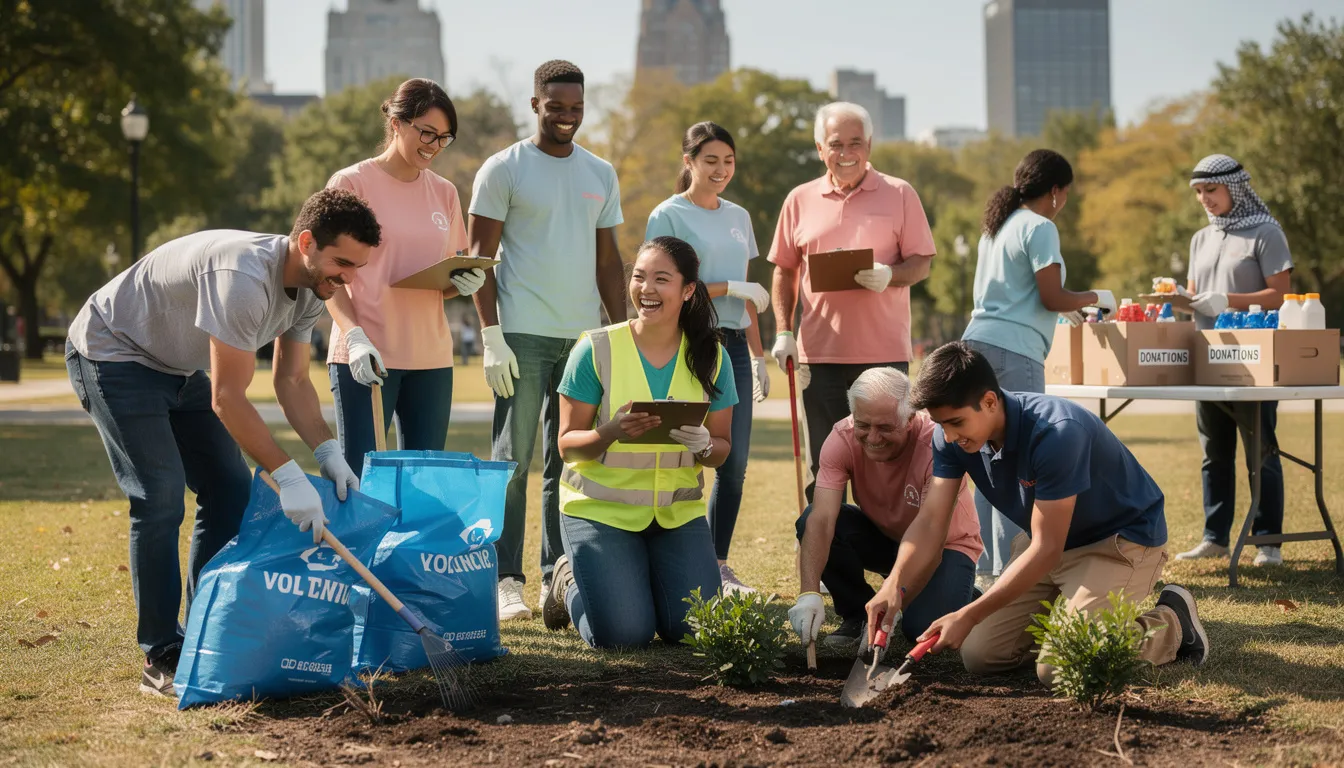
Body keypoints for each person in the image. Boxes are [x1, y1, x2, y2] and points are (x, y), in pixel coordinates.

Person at [64, 189, 382, 696]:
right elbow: (228, 398)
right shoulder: (244, 280)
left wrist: (327, 453)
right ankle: (161, 651)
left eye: (357, 268)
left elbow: (293, 382)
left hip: (176, 364)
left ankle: (204, 628)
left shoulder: (310, 287)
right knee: (161, 496)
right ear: (306, 242)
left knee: (230, 487)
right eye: (342, 263)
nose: (347, 278)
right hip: (114, 351)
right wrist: (288, 475)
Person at [867, 342, 1208, 686]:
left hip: (1119, 543)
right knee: (980, 655)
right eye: (941, 424)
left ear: (989, 401)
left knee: (1063, 667)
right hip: (1046, 542)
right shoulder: (950, 438)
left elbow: (1048, 549)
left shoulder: (1056, 432)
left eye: (956, 422)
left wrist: (968, 614)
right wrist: (894, 586)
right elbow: (929, 522)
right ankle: (1070, 630)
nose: (949, 436)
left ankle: (1173, 623)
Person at [468, 60, 626, 622]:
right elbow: (479, 261)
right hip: (522, 334)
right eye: (556, 106)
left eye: (576, 108)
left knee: (571, 460)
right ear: (535, 104)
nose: (567, 117)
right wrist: (491, 336)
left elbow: (610, 262)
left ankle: (558, 575)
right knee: (512, 462)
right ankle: (505, 578)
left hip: (583, 340)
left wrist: (621, 334)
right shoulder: (503, 168)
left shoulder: (600, 173)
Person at [543, 236, 737, 648]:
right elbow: (566, 445)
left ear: (687, 291)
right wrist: (608, 432)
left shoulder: (713, 357)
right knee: (624, 635)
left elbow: (721, 449)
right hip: (600, 512)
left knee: (695, 631)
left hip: (676, 515)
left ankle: (634, 580)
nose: (645, 289)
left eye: (661, 279)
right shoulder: (594, 349)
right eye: (638, 277)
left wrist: (703, 444)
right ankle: (567, 583)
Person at [960, 149, 1116, 590]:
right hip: (1016, 351)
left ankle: (987, 566)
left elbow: (1025, 294)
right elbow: (1051, 295)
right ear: (1055, 191)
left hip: (977, 343)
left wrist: (1063, 310)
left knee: (986, 461)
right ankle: (1015, 571)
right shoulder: (1041, 225)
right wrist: (1094, 297)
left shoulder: (998, 226)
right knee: (1019, 464)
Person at [768, 101, 936, 499]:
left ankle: (890, 558)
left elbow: (922, 264)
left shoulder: (900, 193)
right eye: (836, 144)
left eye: (855, 143)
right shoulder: (798, 199)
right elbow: (785, 270)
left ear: (870, 144)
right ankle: (827, 556)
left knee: (886, 466)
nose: (846, 153)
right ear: (819, 148)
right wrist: (782, 331)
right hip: (818, 356)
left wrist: (890, 275)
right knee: (823, 466)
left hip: (883, 355)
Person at [325, 79, 485, 471]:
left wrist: (462, 283)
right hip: (367, 354)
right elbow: (325, 276)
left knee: (423, 480)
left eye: (443, 138)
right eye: (426, 132)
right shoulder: (350, 184)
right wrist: (355, 337)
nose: (433, 145)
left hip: (430, 357)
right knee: (364, 479)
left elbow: (438, 283)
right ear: (396, 123)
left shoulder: (445, 193)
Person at [645, 121, 770, 595]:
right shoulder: (667, 215)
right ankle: (664, 559)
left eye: (728, 161)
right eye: (710, 160)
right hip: (687, 340)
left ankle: (718, 564)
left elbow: (749, 295)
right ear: (689, 162)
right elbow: (658, 284)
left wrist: (758, 355)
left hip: (734, 344)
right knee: (678, 454)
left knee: (731, 463)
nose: (721, 170)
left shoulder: (739, 216)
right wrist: (726, 288)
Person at [788, 367, 983, 652]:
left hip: (944, 546)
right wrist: (808, 593)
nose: (873, 437)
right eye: (863, 425)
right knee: (809, 520)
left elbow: (930, 534)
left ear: (911, 418)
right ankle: (857, 614)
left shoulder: (937, 445)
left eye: (885, 427)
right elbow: (822, 519)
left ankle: (967, 595)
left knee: (919, 627)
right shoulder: (841, 437)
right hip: (887, 537)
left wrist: (897, 602)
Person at [1176, 154, 1293, 567]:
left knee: (1261, 448)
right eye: (1199, 192)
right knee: (1214, 451)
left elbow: (1280, 294)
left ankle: (1268, 541)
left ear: (1234, 187)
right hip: (1207, 356)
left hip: (1254, 357)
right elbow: (1194, 299)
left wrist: (1228, 300)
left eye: (1212, 190)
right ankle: (1215, 536)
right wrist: (1178, 299)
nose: (1205, 198)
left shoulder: (1266, 232)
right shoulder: (1199, 239)